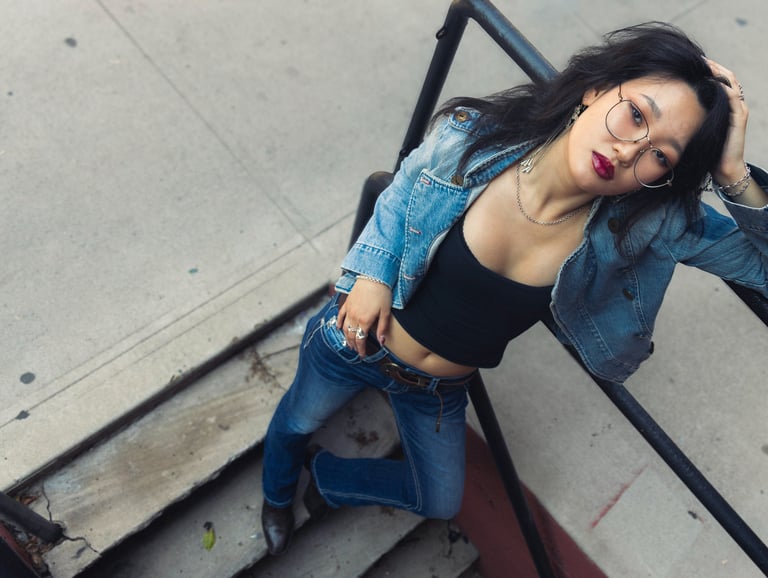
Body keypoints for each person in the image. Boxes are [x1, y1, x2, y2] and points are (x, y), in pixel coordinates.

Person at [259, 22, 768, 555]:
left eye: (660, 156)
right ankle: (276, 495)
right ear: (595, 91)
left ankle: (328, 479)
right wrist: (371, 273)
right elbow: (404, 187)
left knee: (438, 499)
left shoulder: (643, 226)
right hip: (354, 343)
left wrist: (732, 172)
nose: (627, 152)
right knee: (295, 421)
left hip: (436, 391)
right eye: (636, 115)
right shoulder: (475, 138)